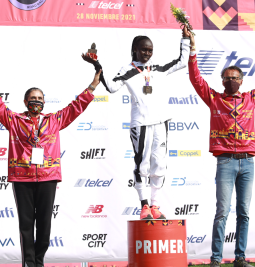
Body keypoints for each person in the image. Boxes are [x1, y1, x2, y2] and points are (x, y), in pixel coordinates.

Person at [0, 60, 101, 267]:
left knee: (44, 224)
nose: (36, 101)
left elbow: (76, 106)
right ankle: (29, 263)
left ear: (44, 102)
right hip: (22, 177)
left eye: (40, 98)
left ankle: (39, 261)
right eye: (33, 98)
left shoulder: (54, 120)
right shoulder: (14, 120)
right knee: (26, 224)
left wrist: (93, 85)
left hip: (48, 177)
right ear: (25, 101)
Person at [189, 31, 255, 266]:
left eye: (235, 77)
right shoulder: (214, 98)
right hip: (225, 161)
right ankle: (215, 259)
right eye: (227, 78)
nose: (231, 80)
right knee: (222, 212)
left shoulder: (252, 98)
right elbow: (196, 79)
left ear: (242, 80)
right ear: (222, 81)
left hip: (248, 162)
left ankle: (240, 258)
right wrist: (192, 47)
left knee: (244, 213)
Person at [82, 26, 192, 220]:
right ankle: (144, 206)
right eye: (143, 49)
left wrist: (185, 39)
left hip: (161, 122)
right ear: (135, 50)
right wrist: (97, 66)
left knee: (159, 163)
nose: (147, 53)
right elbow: (112, 88)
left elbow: (183, 61)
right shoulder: (127, 70)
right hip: (140, 124)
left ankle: (156, 206)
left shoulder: (157, 68)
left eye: (150, 50)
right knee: (142, 165)